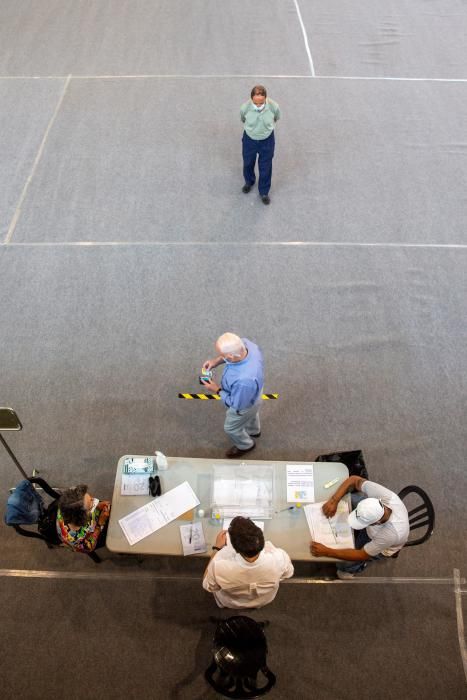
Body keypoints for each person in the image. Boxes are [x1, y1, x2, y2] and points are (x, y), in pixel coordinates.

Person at [310, 476, 409, 579]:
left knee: (343, 565)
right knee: (347, 499)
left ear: (377, 522)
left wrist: (327, 551)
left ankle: (355, 568)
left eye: (361, 522)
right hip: (373, 525)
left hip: (377, 540)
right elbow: (353, 479)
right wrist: (334, 500)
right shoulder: (383, 495)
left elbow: (362, 555)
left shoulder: (389, 535)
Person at [203, 516, 294, 608]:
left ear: (235, 549)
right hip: (263, 600)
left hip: (232, 602)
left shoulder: (219, 566)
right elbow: (288, 574)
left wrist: (216, 549)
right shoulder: (279, 558)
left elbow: (208, 586)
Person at [202, 333, 264, 458]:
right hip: (254, 395)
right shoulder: (247, 345)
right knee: (253, 413)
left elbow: (236, 404)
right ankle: (254, 431)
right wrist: (215, 362)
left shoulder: (244, 381)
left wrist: (216, 389)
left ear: (230, 356)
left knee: (231, 428)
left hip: (243, 403)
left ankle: (246, 445)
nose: (221, 357)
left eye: (222, 355)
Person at [240, 85, 280, 205]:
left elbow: (277, 117)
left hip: (267, 141)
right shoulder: (244, 108)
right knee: (248, 163)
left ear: (265, 99)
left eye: (261, 103)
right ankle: (249, 182)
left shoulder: (274, 107)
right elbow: (243, 119)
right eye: (256, 103)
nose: (258, 106)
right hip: (249, 140)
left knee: (266, 167)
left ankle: (264, 192)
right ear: (251, 99)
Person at [56, 484, 111, 553]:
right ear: (83, 517)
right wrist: (100, 524)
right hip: (90, 538)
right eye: (91, 505)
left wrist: (97, 506)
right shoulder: (74, 539)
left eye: (91, 498)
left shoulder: (67, 505)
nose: (94, 501)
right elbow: (89, 547)